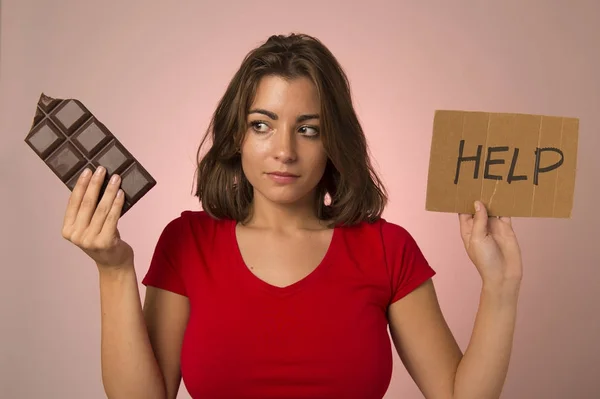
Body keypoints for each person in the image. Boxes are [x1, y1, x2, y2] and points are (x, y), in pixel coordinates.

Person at [60, 33, 523, 399]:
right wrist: (114, 269)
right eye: (262, 125)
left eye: (308, 130)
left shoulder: (387, 249)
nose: (284, 151)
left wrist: (500, 288)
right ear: (236, 136)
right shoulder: (187, 242)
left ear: (335, 142)